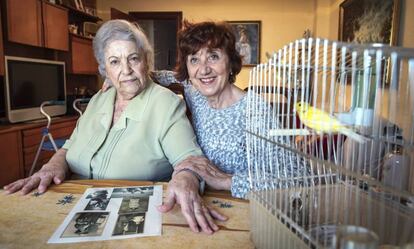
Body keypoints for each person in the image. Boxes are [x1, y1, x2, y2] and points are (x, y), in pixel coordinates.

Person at [4, 20, 226, 234]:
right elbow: (68, 147)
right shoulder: (98, 100)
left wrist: (184, 179)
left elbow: (189, 160)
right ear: (104, 69)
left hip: (128, 218)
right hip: (71, 208)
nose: (126, 70)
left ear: (146, 62)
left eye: (133, 58)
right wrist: (51, 167)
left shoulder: (164, 103)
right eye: (115, 62)